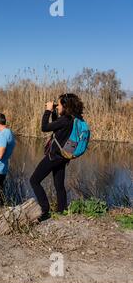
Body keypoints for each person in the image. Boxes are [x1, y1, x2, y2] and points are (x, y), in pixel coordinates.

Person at [30, 93, 84, 221]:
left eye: (58, 105)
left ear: (65, 106)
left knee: (34, 180)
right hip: (63, 157)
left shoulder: (65, 120)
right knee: (59, 185)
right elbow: (56, 126)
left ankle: (44, 209)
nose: (57, 107)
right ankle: (62, 210)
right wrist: (54, 112)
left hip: (54, 157)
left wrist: (48, 111)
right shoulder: (72, 119)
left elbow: (45, 127)